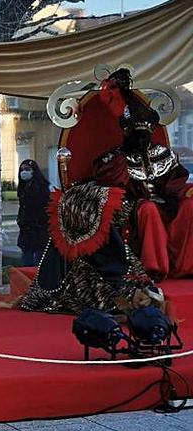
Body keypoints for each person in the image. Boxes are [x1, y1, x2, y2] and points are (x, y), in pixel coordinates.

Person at [93, 68, 193, 279]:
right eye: (137, 133)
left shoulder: (163, 154)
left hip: (165, 202)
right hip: (136, 208)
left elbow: (177, 180)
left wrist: (176, 196)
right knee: (149, 209)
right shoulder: (114, 159)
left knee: (190, 205)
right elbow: (112, 186)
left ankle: (187, 266)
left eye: (145, 133)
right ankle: (155, 267)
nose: (142, 137)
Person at [16, 160, 50, 266]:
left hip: (39, 229)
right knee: (27, 259)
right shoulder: (23, 188)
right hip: (26, 231)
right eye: (22, 170)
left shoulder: (42, 188)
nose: (24, 172)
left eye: (27, 169)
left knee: (39, 259)